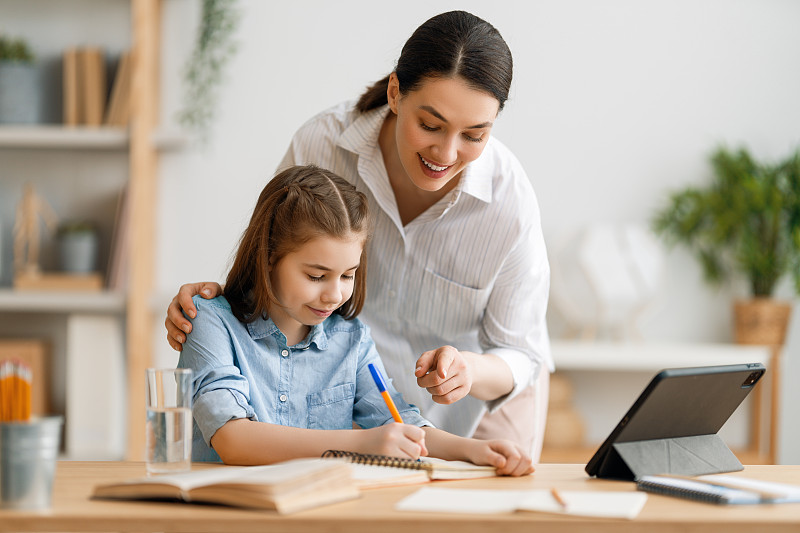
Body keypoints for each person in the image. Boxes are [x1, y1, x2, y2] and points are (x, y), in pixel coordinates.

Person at [166, 10, 553, 461]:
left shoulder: (349, 337)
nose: (446, 153)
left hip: (468, 407)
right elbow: (269, 242)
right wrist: (214, 297)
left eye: (474, 135)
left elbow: (517, 356)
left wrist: (470, 440)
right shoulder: (322, 145)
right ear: (395, 93)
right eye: (429, 125)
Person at [178, 164, 533, 476]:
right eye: (317, 276)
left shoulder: (351, 339)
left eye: (347, 275)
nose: (334, 295)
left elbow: (398, 422)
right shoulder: (209, 322)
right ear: (268, 256)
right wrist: (363, 443)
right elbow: (233, 439)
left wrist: (472, 451)